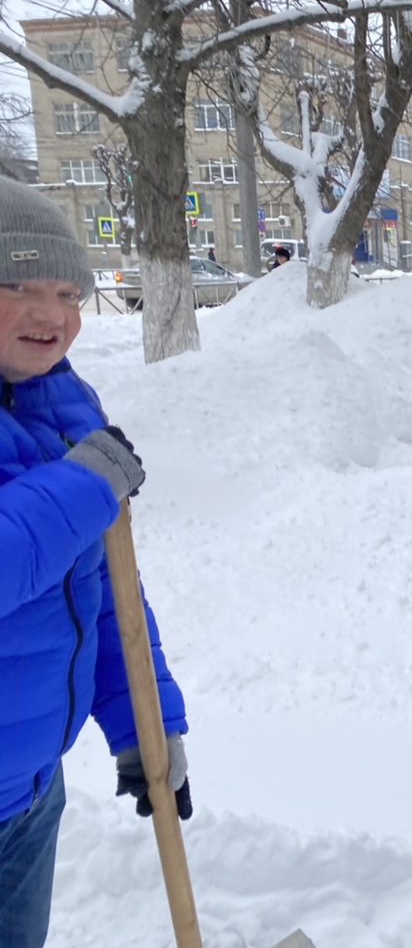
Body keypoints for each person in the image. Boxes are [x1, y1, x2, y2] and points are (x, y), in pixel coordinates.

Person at [0, 176, 191, 948]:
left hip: (30, 791)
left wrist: (145, 721)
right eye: (15, 284)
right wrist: (86, 484)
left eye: (68, 292)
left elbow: (104, 586)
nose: (51, 315)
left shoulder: (62, 402)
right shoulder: (76, 447)